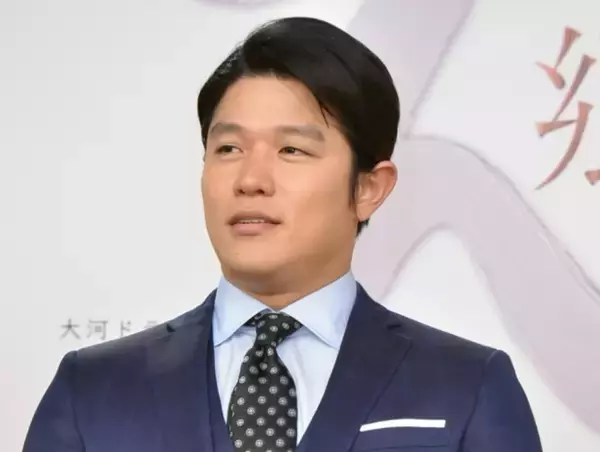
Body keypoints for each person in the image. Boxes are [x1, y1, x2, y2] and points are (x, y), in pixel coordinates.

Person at [23, 17, 542, 452]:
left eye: (292, 150)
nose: (251, 180)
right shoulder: (91, 390)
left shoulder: (468, 387)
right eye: (228, 149)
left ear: (368, 187)